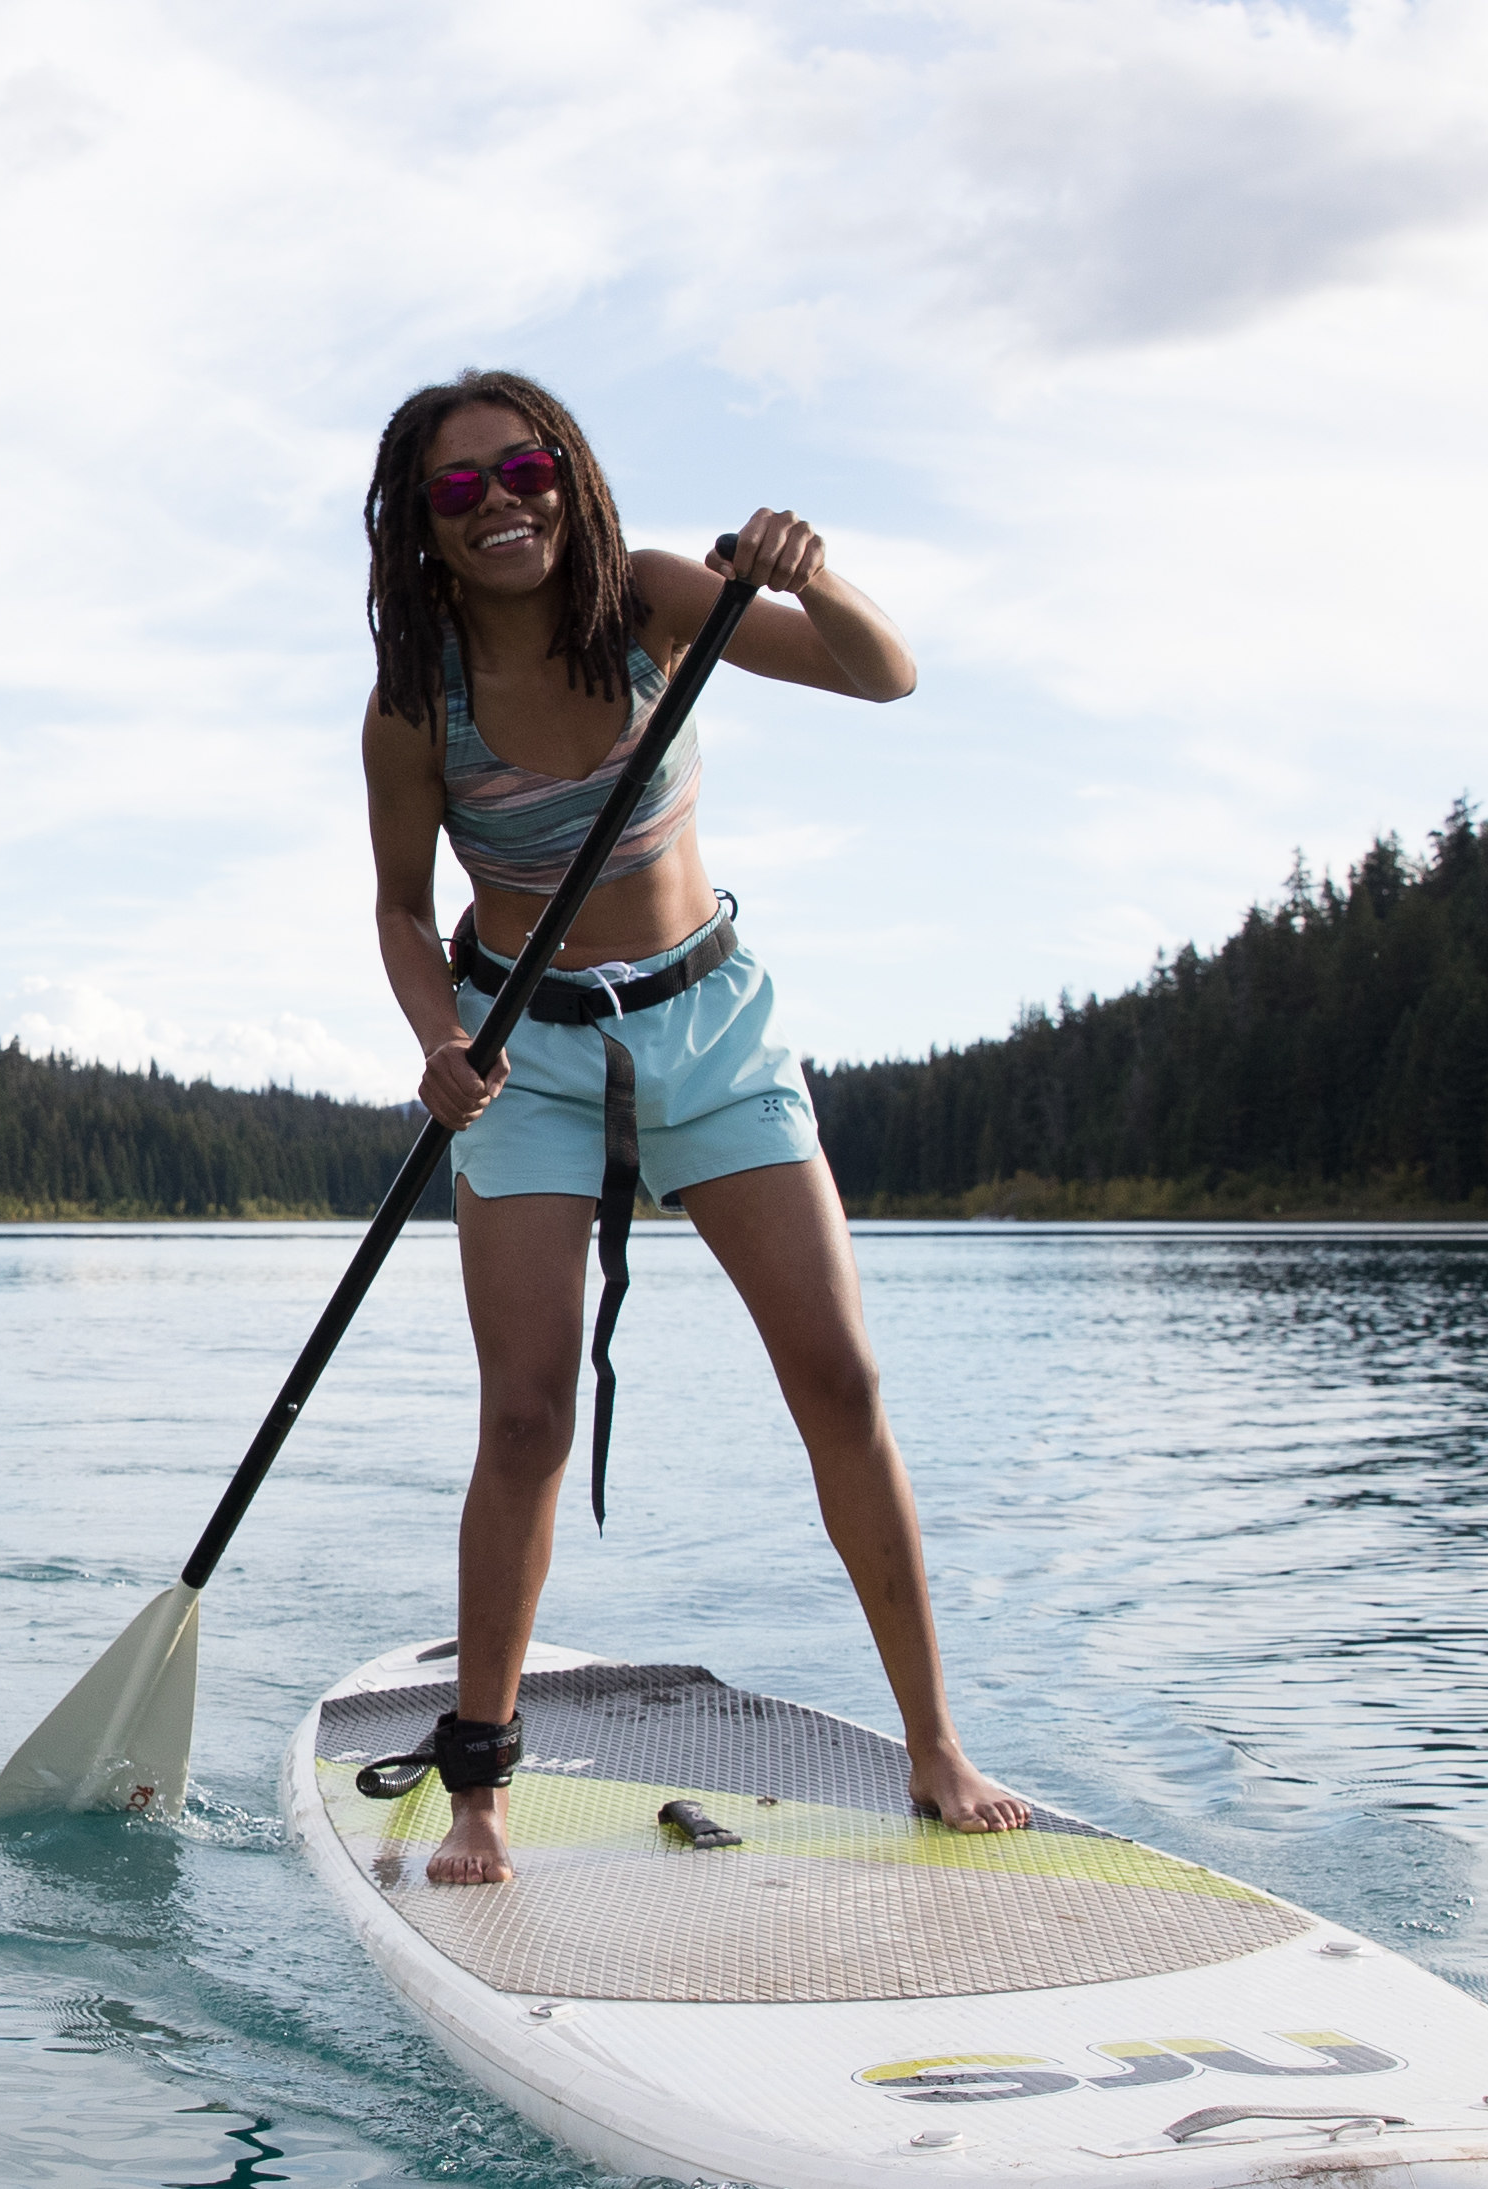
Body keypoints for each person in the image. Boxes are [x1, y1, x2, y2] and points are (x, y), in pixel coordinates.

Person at [349, 370, 1028, 1883]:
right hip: (525, 1054)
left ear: (566, 477)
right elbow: (400, 909)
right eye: (457, 491)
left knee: (840, 1376)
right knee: (524, 1416)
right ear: (422, 530)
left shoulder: (655, 598)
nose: (500, 504)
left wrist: (814, 574)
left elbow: (885, 676)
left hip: (710, 1026)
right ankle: (481, 1788)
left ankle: (933, 1746)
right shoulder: (417, 702)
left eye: (520, 470)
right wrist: (441, 1039)